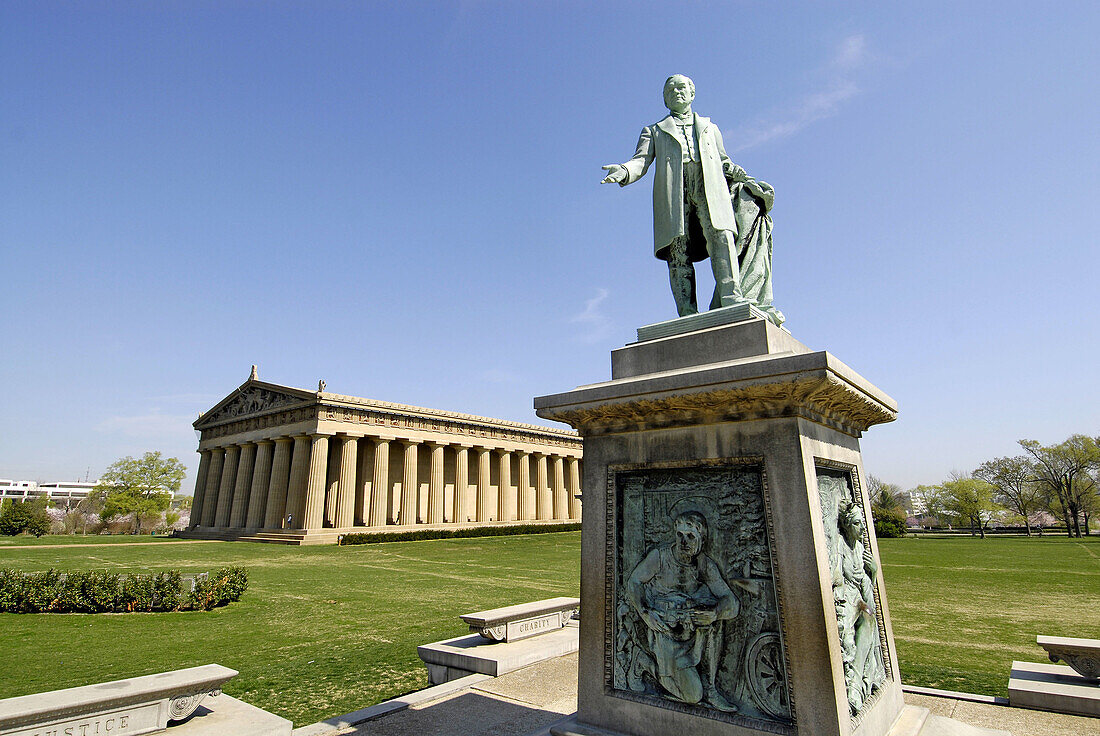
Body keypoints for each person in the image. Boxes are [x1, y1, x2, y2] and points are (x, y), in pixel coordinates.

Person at [602, 75, 747, 317]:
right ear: (665, 100)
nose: (677, 93)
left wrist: (733, 169)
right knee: (678, 249)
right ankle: (687, 312)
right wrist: (624, 171)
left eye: (682, 88)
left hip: (708, 187)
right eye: (670, 90)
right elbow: (640, 161)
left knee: (721, 236)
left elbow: (723, 160)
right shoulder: (654, 131)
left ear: (692, 93)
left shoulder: (711, 128)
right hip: (674, 191)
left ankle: (732, 296)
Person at [624, 511, 740, 711]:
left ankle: (711, 688)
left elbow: (732, 602)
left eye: (690, 536)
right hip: (663, 630)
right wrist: (645, 613)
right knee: (693, 696)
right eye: (679, 535)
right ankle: (643, 662)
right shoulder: (659, 557)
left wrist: (715, 613)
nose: (683, 541)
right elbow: (634, 582)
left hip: (691, 634)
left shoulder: (705, 565)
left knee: (714, 620)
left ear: (702, 540)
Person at [729, 169, 785, 326]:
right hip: (744, 244)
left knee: (759, 272)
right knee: (749, 271)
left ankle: (755, 300)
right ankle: (744, 298)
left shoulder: (762, 216)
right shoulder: (739, 194)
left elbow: (768, 195)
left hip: (757, 244)